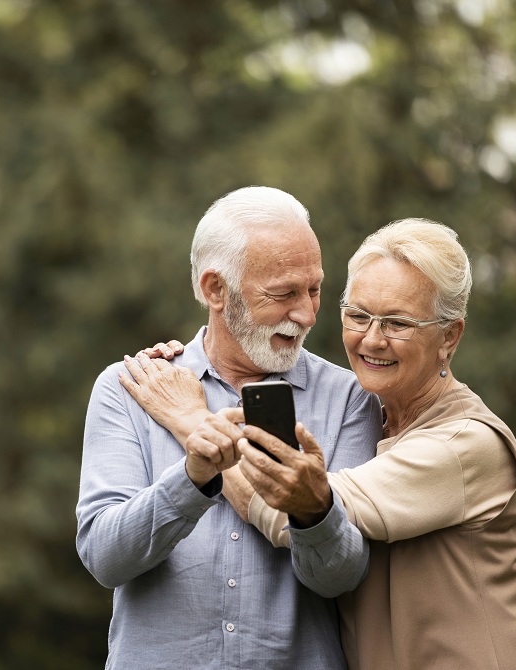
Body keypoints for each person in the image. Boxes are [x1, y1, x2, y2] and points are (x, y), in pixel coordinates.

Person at [128, 218, 516, 669]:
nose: (372, 338)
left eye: (397, 322)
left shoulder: (466, 444)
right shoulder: (370, 419)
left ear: (449, 336)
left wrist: (190, 418)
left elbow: (295, 503)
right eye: (357, 315)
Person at [75, 186, 383, 670]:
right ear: (215, 289)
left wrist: (313, 511)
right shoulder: (130, 387)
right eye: (283, 294)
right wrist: (191, 480)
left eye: (315, 289)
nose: (306, 314)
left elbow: (343, 578)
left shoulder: (350, 399)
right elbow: (104, 558)